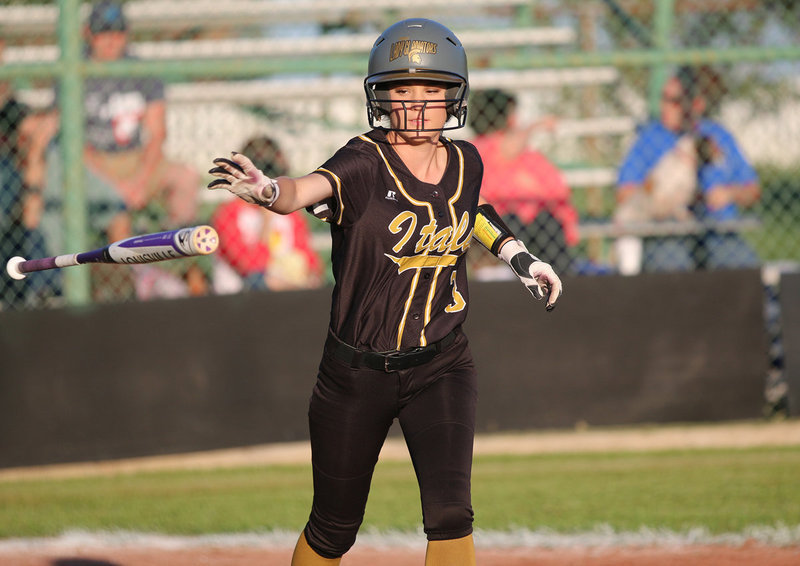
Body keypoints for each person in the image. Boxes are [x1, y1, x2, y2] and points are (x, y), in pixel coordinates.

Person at [208, 18, 563, 566]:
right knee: (333, 530)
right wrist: (270, 190)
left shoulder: (467, 160)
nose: (418, 103)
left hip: (442, 363)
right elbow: (306, 189)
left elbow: (473, 211)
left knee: (450, 516)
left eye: (431, 88)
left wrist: (520, 256)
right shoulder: (363, 161)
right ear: (381, 95)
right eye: (403, 88)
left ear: (453, 95)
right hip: (355, 373)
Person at [40, 0, 205, 301]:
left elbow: (157, 134)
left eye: (118, 32)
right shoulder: (75, 70)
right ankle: (133, 286)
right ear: (88, 33)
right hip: (94, 164)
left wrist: (141, 180)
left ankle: (179, 264)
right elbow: (72, 142)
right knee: (117, 209)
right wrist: (118, 187)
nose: (112, 40)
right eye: (104, 33)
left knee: (186, 178)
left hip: (136, 159)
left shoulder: (140, 70)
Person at [615, 65, 761, 273]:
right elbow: (624, 193)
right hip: (667, 229)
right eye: (663, 98)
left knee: (741, 265)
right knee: (672, 264)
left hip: (718, 228)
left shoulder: (716, 136)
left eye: (674, 101)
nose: (665, 106)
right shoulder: (649, 138)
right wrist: (658, 193)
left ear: (696, 104)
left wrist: (729, 194)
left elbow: (753, 190)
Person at [469, 88, 579, 275]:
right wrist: (536, 126)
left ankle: (560, 279)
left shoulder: (525, 153)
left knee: (548, 224)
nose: (515, 120)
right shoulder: (479, 147)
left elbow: (556, 189)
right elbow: (507, 148)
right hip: (502, 222)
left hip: (538, 220)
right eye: (512, 114)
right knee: (512, 222)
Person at [212, 136, 323, 292]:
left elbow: (311, 263)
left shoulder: (291, 214)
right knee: (258, 280)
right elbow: (250, 268)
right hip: (244, 297)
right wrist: (266, 219)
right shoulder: (228, 213)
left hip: (290, 294)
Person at [0, 35, 58, 308]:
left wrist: (34, 150)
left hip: (21, 198)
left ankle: (43, 289)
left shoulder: (12, 107)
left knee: (44, 170)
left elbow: (30, 130)